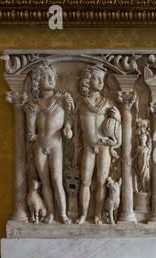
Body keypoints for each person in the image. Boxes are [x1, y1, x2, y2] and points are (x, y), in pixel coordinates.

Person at [27, 61, 74, 224]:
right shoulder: (35, 103)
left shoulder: (62, 99)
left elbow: (69, 119)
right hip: (39, 144)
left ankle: (63, 214)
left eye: (53, 76)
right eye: (46, 77)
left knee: (57, 181)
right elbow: (31, 127)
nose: (51, 79)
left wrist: (68, 128)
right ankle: (51, 213)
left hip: (55, 144)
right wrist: (30, 131)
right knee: (45, 182)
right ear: (38, 82)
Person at [77, 64, 121, 224]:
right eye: (96, 78)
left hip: (104, 147)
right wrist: (68, 127)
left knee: (102, 181)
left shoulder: (108, 102)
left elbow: (118, 127)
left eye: (102, 79)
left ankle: (97, 214)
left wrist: (119, 118)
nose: (100, 82)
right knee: (85, 181)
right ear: (87, 81)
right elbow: (71, 120)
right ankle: (83, 214)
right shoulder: (81, 102)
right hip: (89, 148)